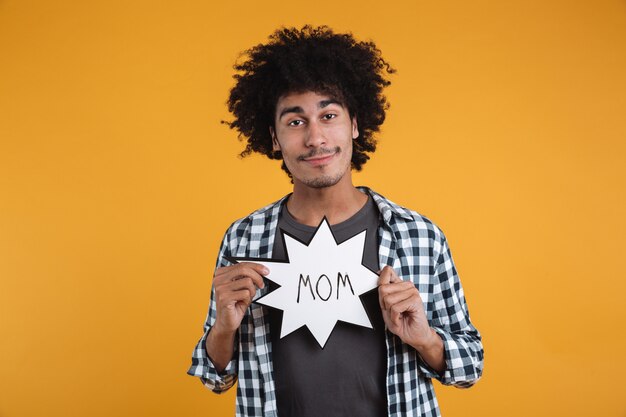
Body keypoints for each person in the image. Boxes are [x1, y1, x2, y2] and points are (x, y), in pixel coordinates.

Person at [188, 26, 483, 417]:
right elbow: (214, 378)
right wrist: (223, 329)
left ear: (355, 125)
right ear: (274, 138)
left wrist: (425, 338)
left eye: (328, 116)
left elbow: (470, 366)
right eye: (295, 122)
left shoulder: (419, 235)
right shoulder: (244, 238)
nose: (315, 138)